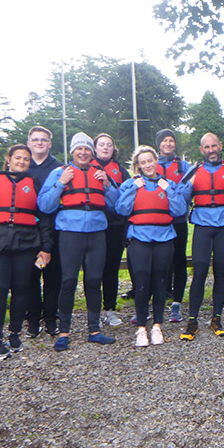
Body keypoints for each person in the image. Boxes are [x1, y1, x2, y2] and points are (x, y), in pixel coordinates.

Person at [0, 145, 53, 360]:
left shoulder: (34, 183)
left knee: (21, 289)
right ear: (9, 159)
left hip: (26, 242)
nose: (22, 162)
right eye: (18, 158)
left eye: (26, 159)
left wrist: (46, 248)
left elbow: (44, 218)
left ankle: (15, 333)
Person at [37, 133, 119, 351]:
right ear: (72, 152)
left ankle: (94, 330)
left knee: (93, 281)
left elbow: (118, 205)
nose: (83, 152)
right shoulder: (60, 173)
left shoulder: (100, 174)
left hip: (96, 234)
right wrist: (60, 185)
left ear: (91, 153)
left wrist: (108, 185)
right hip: (70, 234)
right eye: (78, 149)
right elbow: (44, 205)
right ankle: (64, 332)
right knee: (68, 281)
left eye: (87, 149)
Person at [177, 133, 224, 340]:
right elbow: (179, 200)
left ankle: (216, 318)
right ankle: (192, 320)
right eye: (207, 147)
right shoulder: (194, 171)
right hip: (202, 225)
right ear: (202, 150)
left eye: (214, 146)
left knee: (220, 271)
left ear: (220, 146)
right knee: (199, 271)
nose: (211, 150)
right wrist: (189, 185)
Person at [115, 146, 187, 347]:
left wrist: (167, 190)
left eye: (150, 161)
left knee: (160, 281)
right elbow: (121, 209)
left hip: (164, 237)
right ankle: (140, 328)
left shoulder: (169, 184)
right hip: (139, 237)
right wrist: (134, 189)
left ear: (156, 161)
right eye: (143, 162)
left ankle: (157, 325)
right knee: (141, 281)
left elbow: (180, 209)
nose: (147, 165)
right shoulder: (131, 184)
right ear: (137, 165)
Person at [24, 126, 63, 338]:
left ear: (50, 144)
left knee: (53, 276)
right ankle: (32, 317)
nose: (39, 143)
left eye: (43, 140)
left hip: (53, 227)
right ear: (29, 143)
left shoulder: (58, 168)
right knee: (31, 276)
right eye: (35, 140)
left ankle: (50, 317)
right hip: (27, 229)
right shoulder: (22, 165)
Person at [91, 133, 131, 328]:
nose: (105, 148)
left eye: (109, 145)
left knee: (111, 269)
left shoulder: (121, 171)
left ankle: (110, 308)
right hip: (92, 227)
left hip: (115, 227)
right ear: (95, 148)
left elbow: (128, 199)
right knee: (92, 270)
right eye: (101, 145)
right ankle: (93, 310)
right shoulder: (85, 167)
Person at [155, 128, 192, 323]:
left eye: (171, 141)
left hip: (177, 221)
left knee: (179, 261)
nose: (168, 144)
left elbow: (188, 189)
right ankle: (158, 299)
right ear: (158, 144)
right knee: (159, 263)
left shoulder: (183, 166)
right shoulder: (151, 163)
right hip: (157, 221)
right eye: (164, 141)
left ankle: (177, 303)